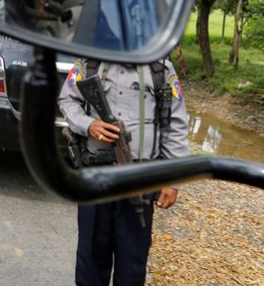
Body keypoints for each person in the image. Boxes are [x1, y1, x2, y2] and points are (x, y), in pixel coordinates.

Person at [58, 59, 190, 286]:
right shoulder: (90, 61)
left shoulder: (160, 68)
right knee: (90, 262)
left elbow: (175, 124)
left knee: (132, 268)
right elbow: (67, 100)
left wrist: (172, 180)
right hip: (96, 178)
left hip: (140, 180)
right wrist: (88, 124)